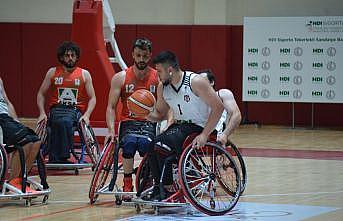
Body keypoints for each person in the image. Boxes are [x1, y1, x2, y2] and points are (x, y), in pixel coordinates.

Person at [146, 51, 224, 200]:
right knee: (150, 145)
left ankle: (168, 187)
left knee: (161, 145)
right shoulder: (163, 87)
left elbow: (218, 107)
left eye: (159, 71)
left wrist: (205, 134)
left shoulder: (196, 81)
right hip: (179, 128)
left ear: (170, 70)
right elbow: (161, 114)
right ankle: (158, 187)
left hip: (200, 127)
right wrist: (145, 113)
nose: (157, 76)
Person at [105, 38, 159, 201]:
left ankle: (147, 179)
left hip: (150, 121)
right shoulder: (120, 77)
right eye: (138, 55)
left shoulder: (157, 78)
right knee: (128, 144)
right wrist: (110, 131)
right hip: (128, 122)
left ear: (149, 56)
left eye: (144, 55)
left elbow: (166, 105)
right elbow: (111, 107)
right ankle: (127, 182)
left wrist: (166, 123)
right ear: (132, 55)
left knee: (147, 146)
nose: (141, 59)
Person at [36, 41, 96, 163]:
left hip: (74, 110)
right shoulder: (52, 72)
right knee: (56, 122)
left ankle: (60, 157)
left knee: (64, 122)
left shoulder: (84, 74)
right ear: (62, 57)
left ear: (77, 57)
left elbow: (93, 98)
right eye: (67, 55)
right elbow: (41, 94)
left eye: (73, 55)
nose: (70, 58)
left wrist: (87, 115)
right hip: (56, 109)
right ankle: (55, 154)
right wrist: (42, 113)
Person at [0, 77, 41, 192]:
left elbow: (7, 102)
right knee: (24, 142)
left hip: (6, 119)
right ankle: (13, 181)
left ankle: (19, 179)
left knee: (35, 140)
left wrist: (16, 122)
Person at [199, 70, 241, 145]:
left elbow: (236, 115)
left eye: (203, 81)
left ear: (212, 82)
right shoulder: (195, 99)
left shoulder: (222, 94)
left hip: (216, 134)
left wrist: (225, 134)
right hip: (198, 132)